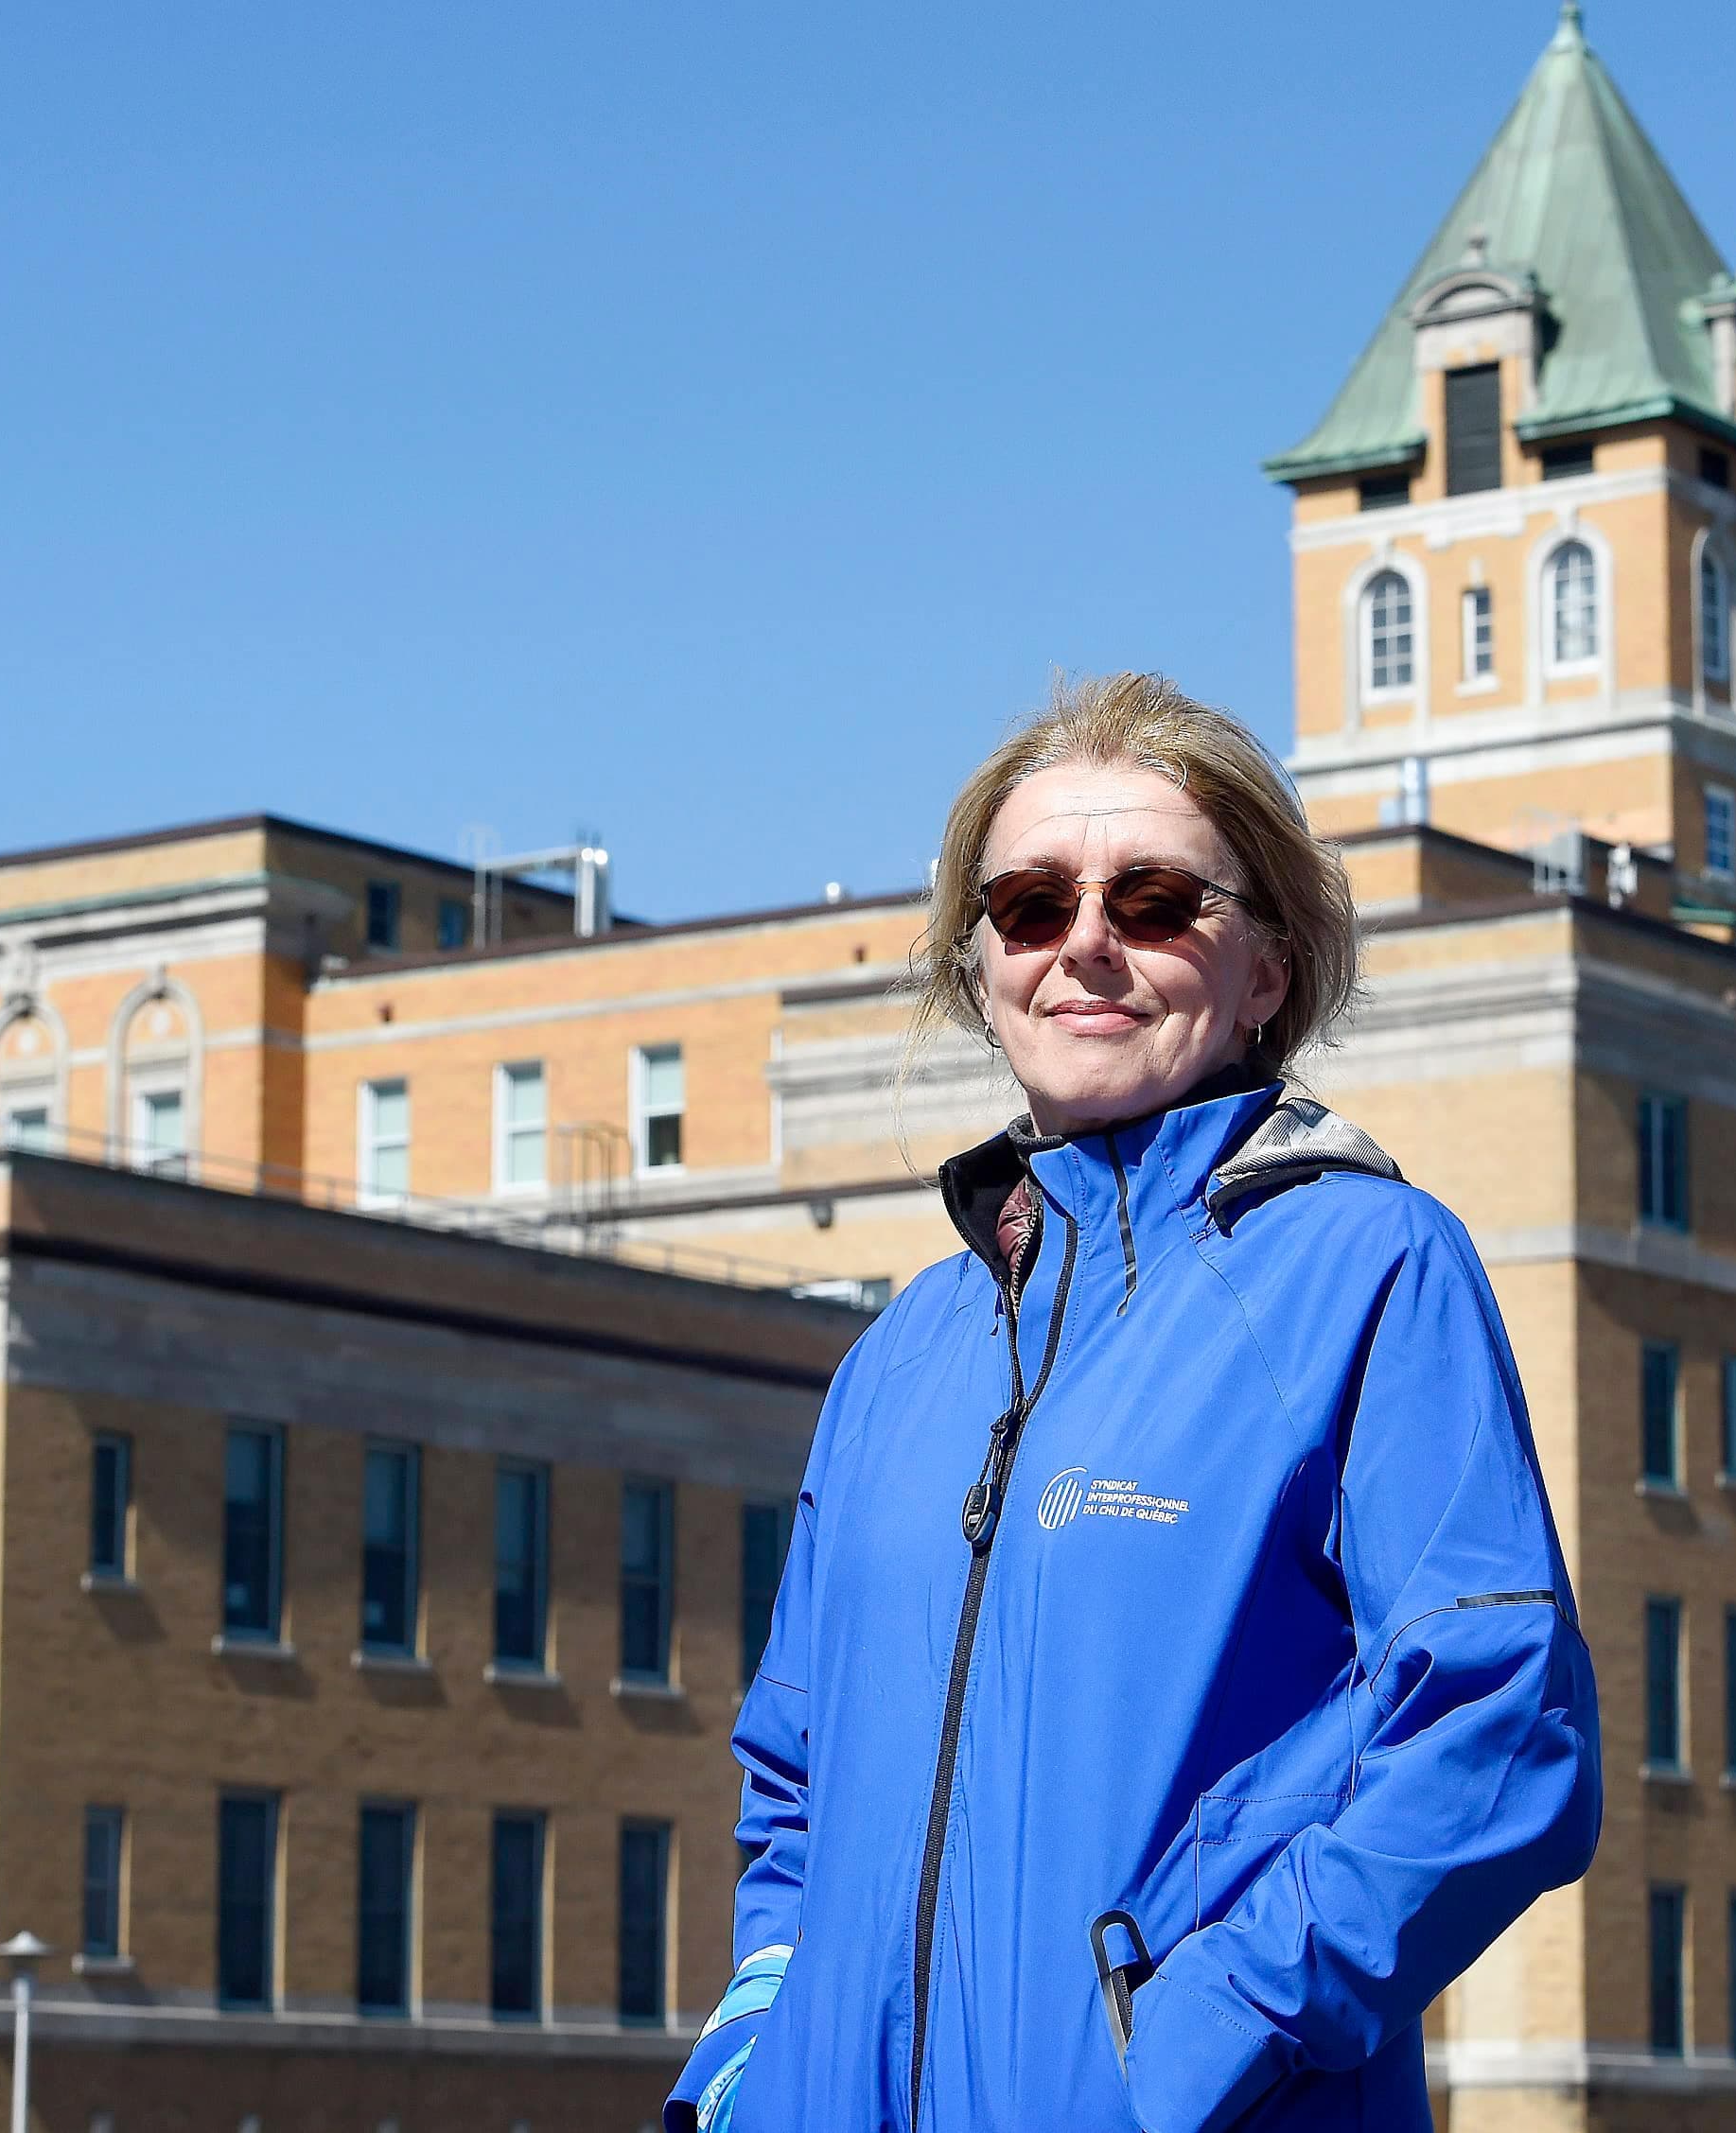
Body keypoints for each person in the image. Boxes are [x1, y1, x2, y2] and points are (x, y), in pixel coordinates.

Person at [668, 673, 1601, 2133]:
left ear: (1270, 970)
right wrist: (751, 2070)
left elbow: (1502, 1727)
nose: (1086, 945)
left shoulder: (1367, 1269)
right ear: (980, 964)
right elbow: (789, 1783)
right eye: (1031, 906)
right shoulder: (901, 1355)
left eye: (1155, 901)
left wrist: (1199, 2040)